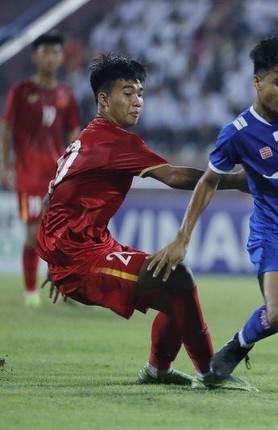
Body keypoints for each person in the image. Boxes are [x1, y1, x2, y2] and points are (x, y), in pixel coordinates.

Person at [35, 52, 252, 390]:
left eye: (140, 93)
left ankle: (158, 371)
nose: (137, 101)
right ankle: (211, 372)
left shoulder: (86, 139)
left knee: (171, 288)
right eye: (127, 93)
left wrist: (53, 257)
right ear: (104, 99)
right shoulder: (112, 140)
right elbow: (176, 176)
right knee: (175, 275)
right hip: (80, 257)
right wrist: (236, 181)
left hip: (82, 249)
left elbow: (52, 197)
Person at [148, 36, 278, 394]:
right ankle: (238, 345)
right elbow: (208, 182)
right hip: (274, 231)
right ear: (257, 82)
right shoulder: (238, 134)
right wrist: (182, 237)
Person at [1, 33, 81, 308]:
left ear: (61, 57)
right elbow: (6, 128)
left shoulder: (65, 95)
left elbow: (74, 133)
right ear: (35, 56)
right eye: (46, 53)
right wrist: (4, 164)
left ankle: (63, 286)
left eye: (56, 53)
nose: (51, 58)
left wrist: (76, 167)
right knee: (33, 233)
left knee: (63, 233)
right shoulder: (21, 91)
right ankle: (30, 290)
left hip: (57, 175)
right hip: (28, 173)